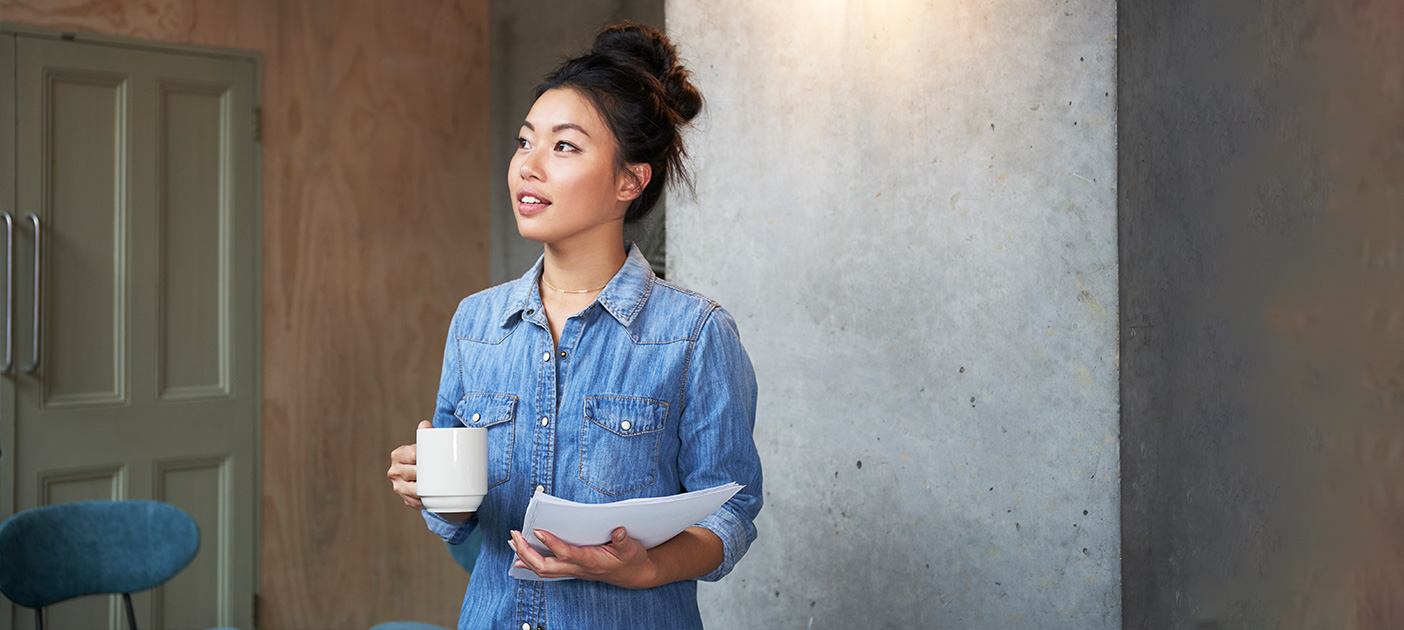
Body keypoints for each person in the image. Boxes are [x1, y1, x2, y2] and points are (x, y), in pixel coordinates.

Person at [386, 21, 763, 630]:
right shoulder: (477, 322)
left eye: (564, 146)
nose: (528, 166)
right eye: (524, 141)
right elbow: (458, 517)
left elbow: (734, 510)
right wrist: (431, 490)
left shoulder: (694, 334)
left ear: (628, 181)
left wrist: (645, 568)